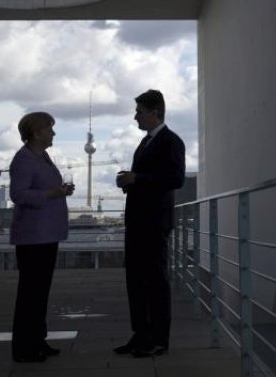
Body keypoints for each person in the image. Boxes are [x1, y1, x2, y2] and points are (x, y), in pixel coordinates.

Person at [114, 90, 185, 358]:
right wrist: (129, 181)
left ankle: (158, 340)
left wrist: (137, 179)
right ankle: (141, 334)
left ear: (155, 112)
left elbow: (176, 179)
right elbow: (150, 178)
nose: (135, 117)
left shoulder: (171, 141)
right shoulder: (145, 142)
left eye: (139, 112)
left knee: (155, 280)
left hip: (154, 223)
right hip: (139, 222)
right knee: (135, 280)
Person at [9, 111, 74, 363]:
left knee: (39, 291)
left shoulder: (42, 156)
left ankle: (37, 340)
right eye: (49, 128)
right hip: (33, 236)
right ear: (36, 133)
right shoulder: (24, 159)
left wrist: (58, 192)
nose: (53, 133)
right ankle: (25, 348)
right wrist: (52, 194)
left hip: (46, 234)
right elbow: (19, 194)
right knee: (31, 292)